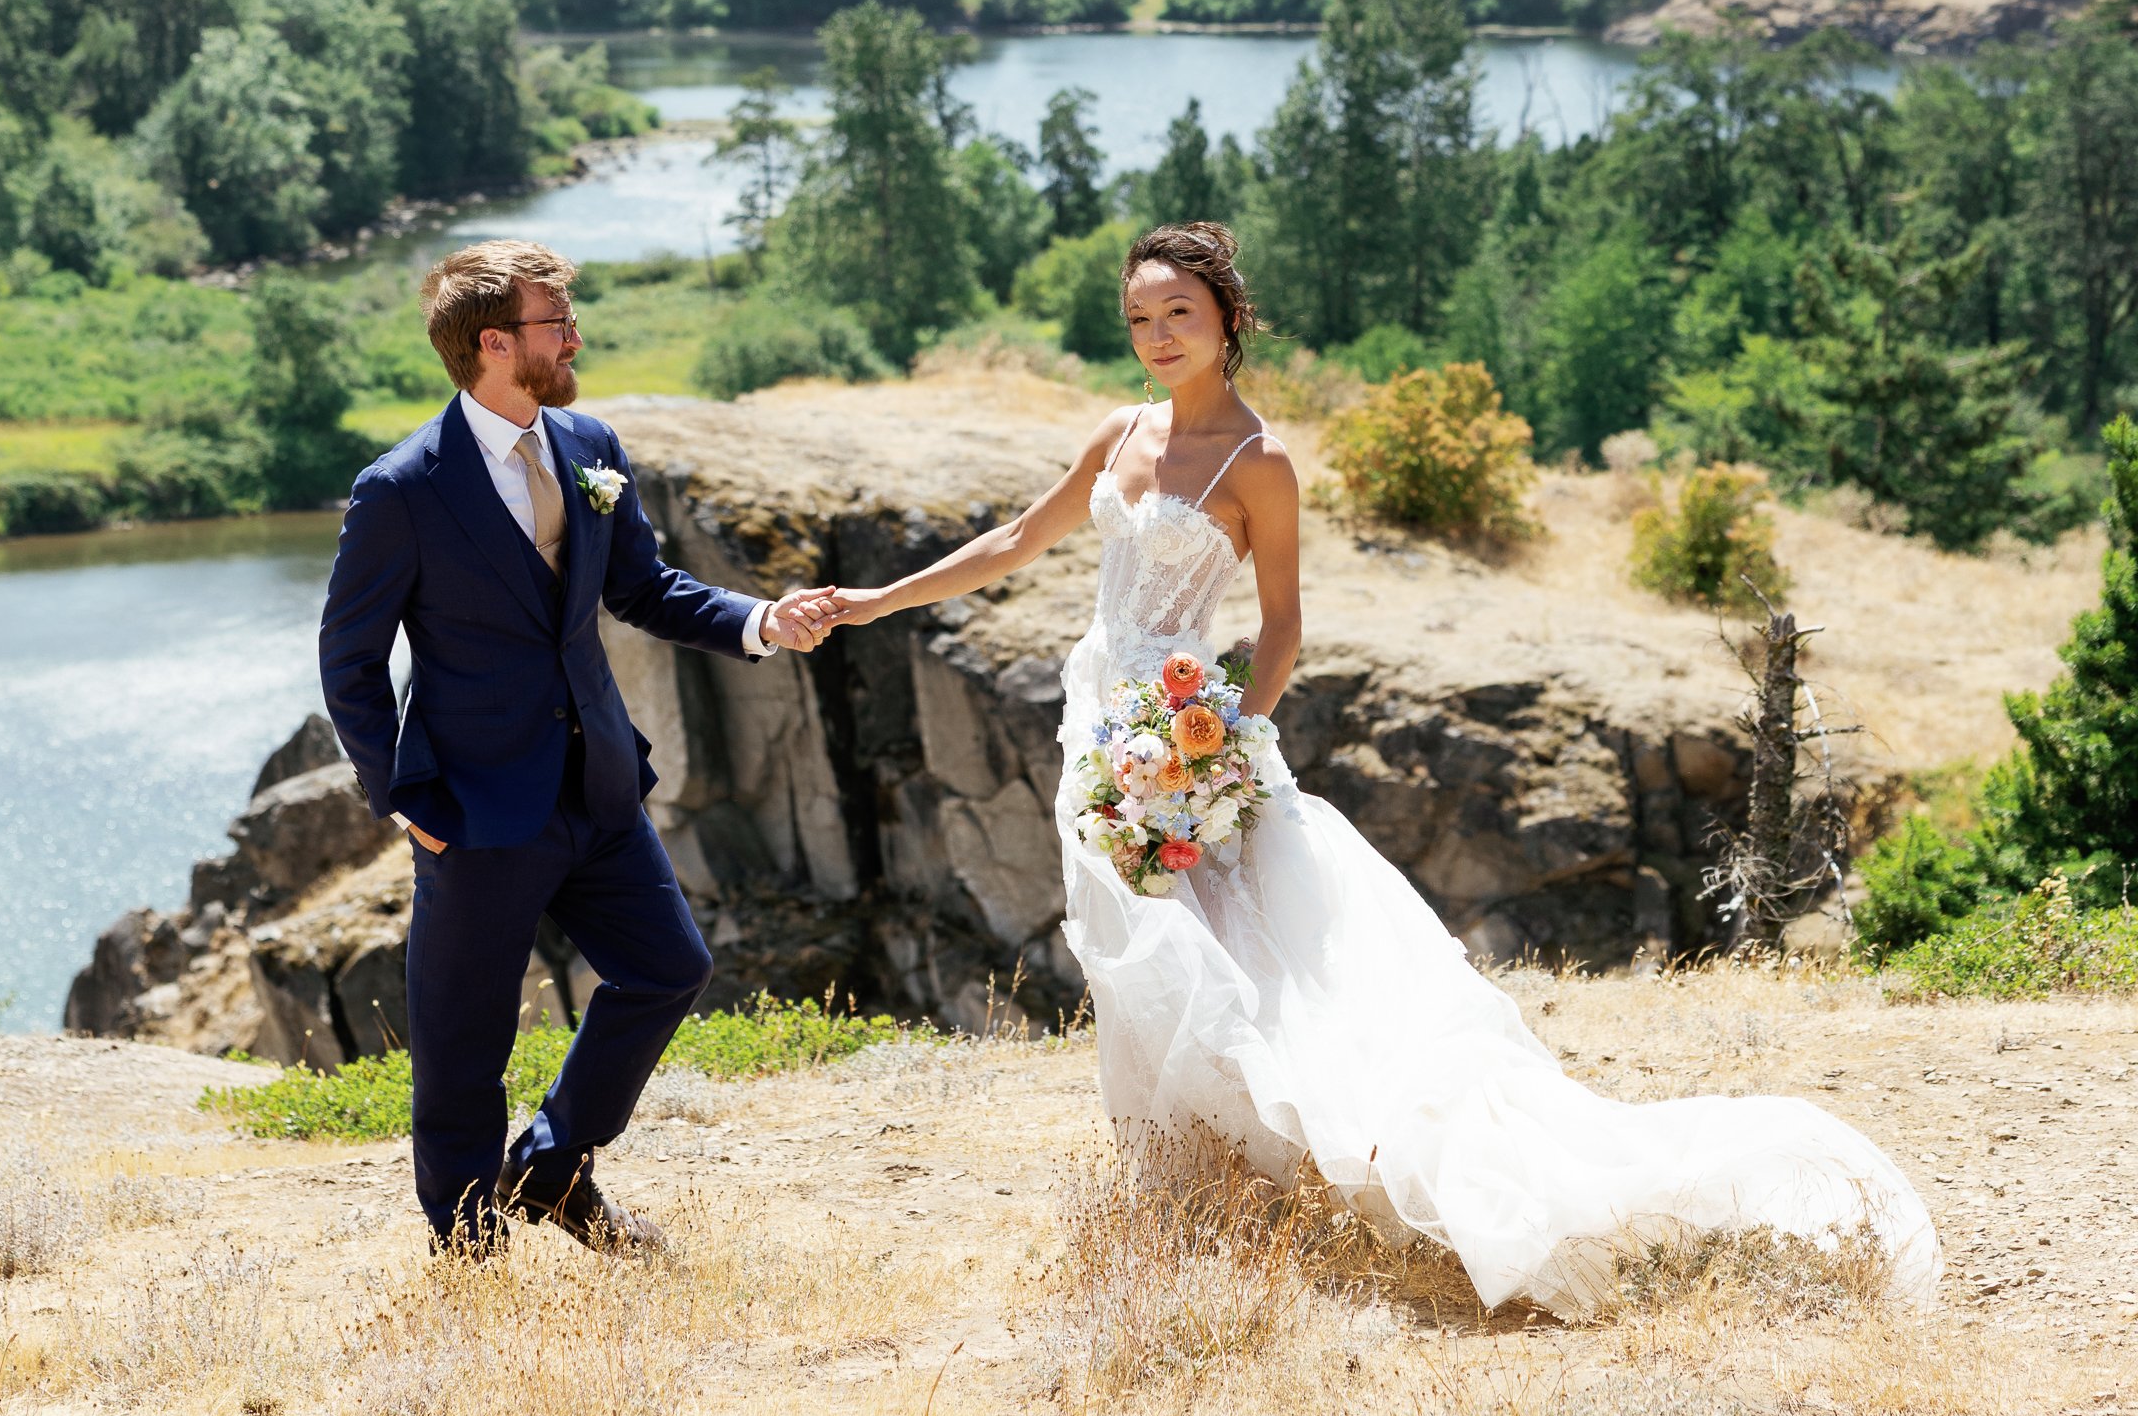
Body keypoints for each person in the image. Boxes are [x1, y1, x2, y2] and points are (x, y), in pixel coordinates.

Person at [818, 219, 1939, 1318]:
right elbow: (1016, 541)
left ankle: (1285, 1182)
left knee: (1238, 963)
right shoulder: (1120, 433)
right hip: (1106, 725)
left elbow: (1283, 627)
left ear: (1226, 320)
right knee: (1140, 956)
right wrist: (876, 601)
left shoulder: (1261, 462)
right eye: (1139, 318)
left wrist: (1218, 758)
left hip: (1190, 741)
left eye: (1179, 313)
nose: (1157, 336)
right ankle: (1189, 1195)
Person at [319, 239, 832, 1252]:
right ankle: (470, 1250)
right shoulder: (401, 489)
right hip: (472, 808)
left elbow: (643, 588)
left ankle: (551, 1167)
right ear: (494, 343)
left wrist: (761, 620)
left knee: (669, 969)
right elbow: (350, 659)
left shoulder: (591, 444)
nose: (576, 340)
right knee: (464, 1042)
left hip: (597, 783)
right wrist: (406, 799)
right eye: (556, 324)